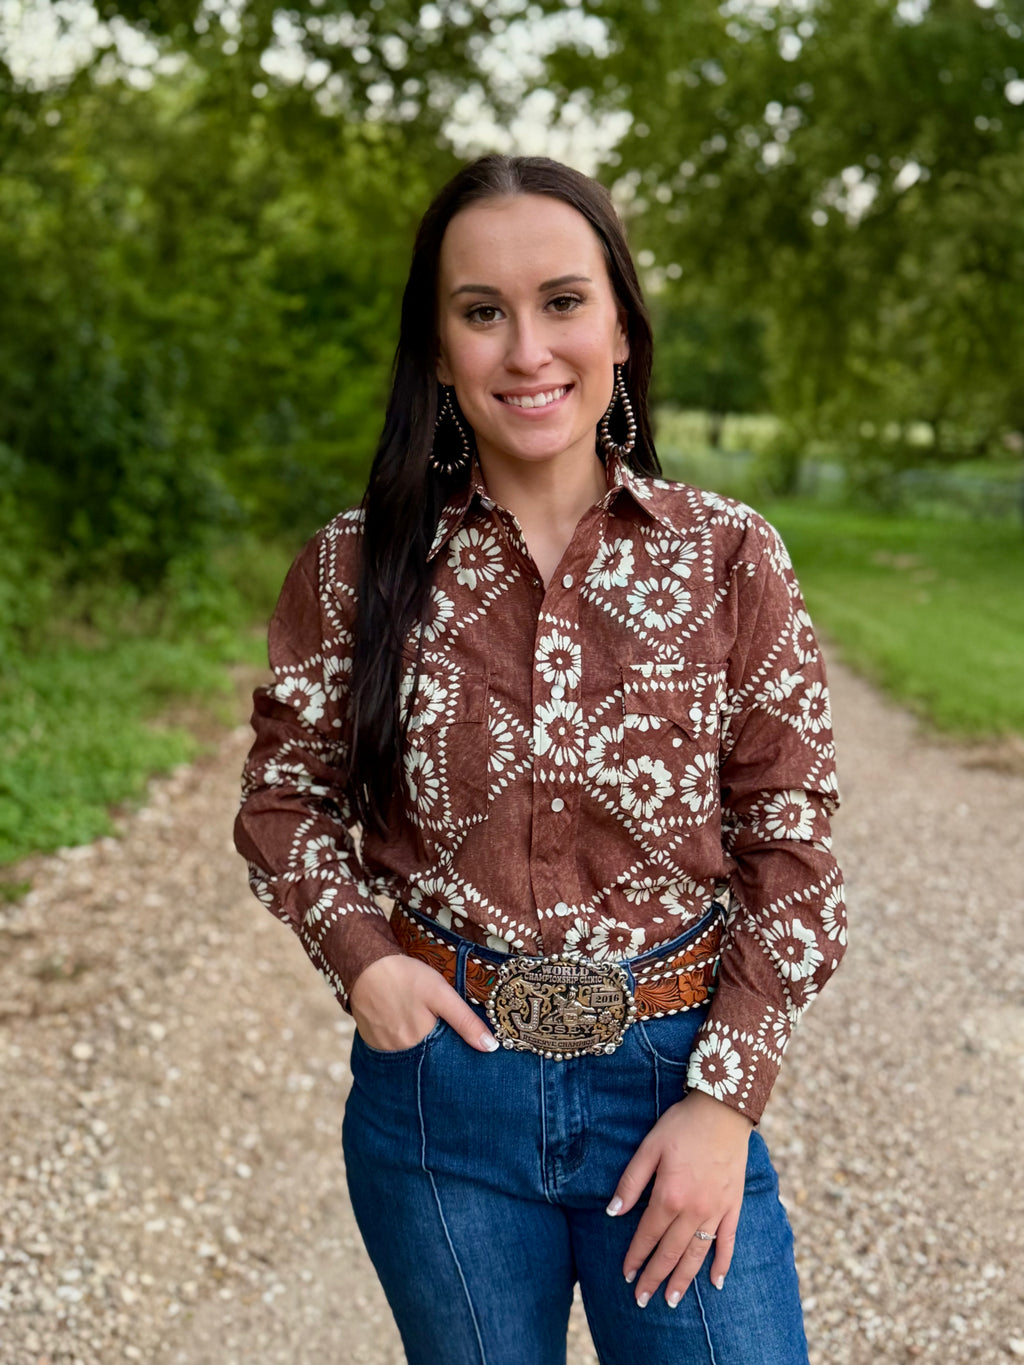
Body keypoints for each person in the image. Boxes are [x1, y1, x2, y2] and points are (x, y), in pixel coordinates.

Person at [234, 153, 846, 1365]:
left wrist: (723, 1103)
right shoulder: (352, 567)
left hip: (669, 1080)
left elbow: (794, 849)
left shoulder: (728, 559)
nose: (527, 350)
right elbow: (282, 801)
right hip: (442, 1107)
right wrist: (363, 963)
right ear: (439, 342)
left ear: (619, 320)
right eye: (482, 312)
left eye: (562, 301)